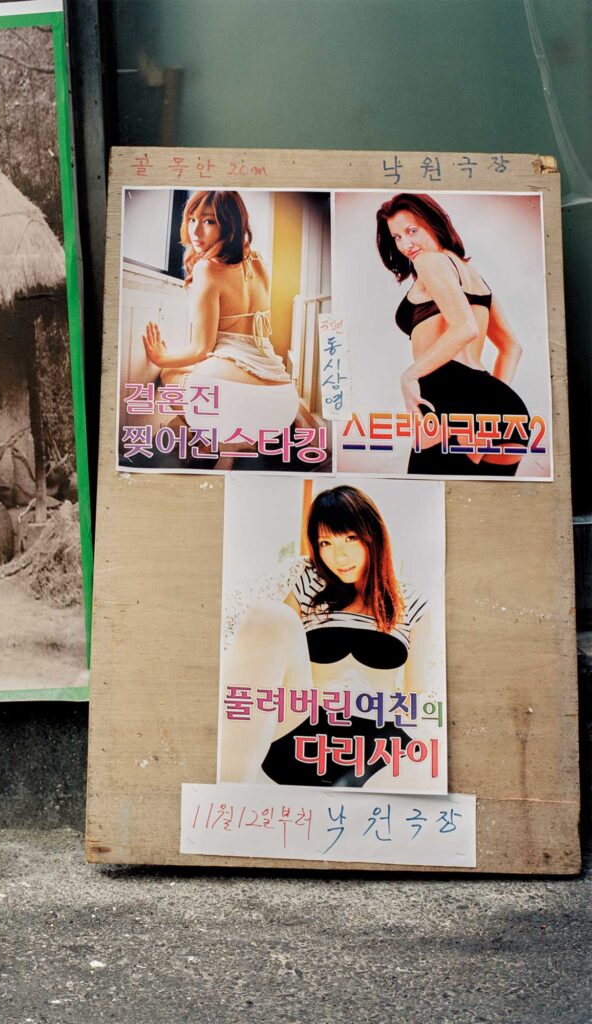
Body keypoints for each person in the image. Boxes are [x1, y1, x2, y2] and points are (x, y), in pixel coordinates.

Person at [217, 485, 435, 789]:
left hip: (375, 744)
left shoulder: (413, 600)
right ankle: (225, 799)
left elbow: (415, 693)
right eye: (325, 543)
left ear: (373, 535)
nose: (339, 556)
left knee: (420, 767)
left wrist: (373, 704)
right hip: (302, 727)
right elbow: (272, 646)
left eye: (350, 538)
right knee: (270, 615)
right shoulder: (311, 582)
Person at [376, 192, 527, 476]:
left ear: (435, 223)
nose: (406, 245)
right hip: (500, 406)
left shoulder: (429, 262)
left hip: (449, 401)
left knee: (425, 496)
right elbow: (512, 347)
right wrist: (492, 405)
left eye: (412, 231)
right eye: (396, 237)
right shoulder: (473, 275)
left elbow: (465, 327)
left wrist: (409, 375)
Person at [140, 190, 300, 444]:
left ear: (230, 225)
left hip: (238, 392)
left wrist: (162, 358)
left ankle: (221, 444)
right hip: (284, 403)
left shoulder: (208, 268)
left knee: (170, 375)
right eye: (192, 219)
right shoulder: (256, 260)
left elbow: (201, 350)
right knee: (203, 378)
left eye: (209, 221)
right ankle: (238, 444)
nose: (196, 230)